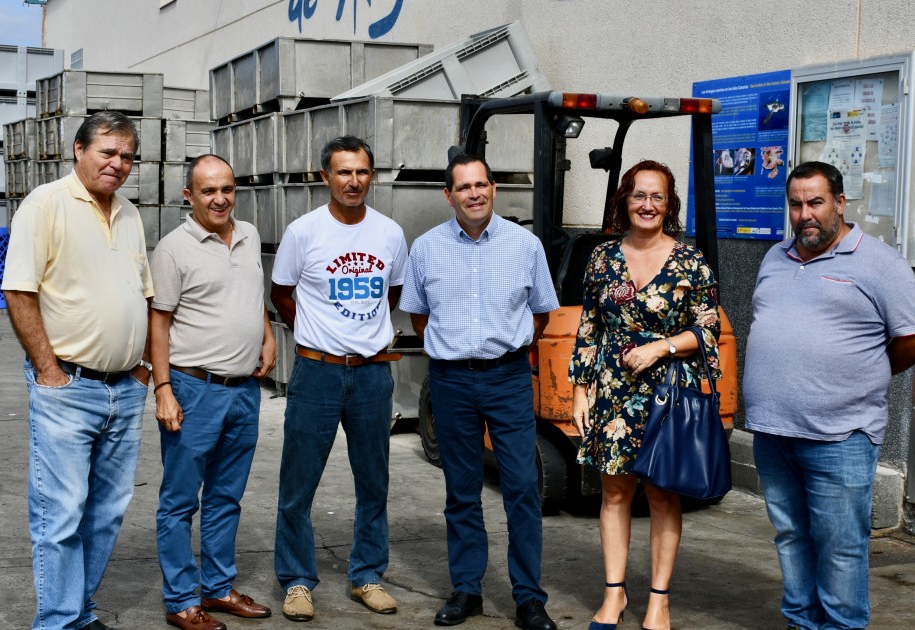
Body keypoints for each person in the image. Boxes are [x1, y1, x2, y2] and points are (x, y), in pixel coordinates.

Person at [744, 161, 915, 630]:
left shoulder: (880, 264)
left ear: (840, 203)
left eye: (815, 202)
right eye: (795, 203)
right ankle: (801, 622)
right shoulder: (775, 258)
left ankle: (842, 625)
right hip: (773, 429)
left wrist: (866, 375)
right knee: (791, 535)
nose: (805, 214)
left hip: (841, 434)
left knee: (840, 543)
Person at [1, 111, 152, 630]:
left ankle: (79, 613)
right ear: (78, 150)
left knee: (106, 514)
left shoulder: (130, 213)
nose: (117, 163)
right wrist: (48, 370)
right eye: (107, 152)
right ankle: (59, 622)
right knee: (60, 516)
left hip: (125, 391)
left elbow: (144, 294)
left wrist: (144, 368)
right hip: (68, 387)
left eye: (127, 155)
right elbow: (19, 290)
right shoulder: (45, 204)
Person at [400, 153, 560, 630]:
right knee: (461, 491)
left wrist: (502, 349)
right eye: (464, 186)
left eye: (482, 184)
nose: (474, 193)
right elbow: (418, 315)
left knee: (522, 489)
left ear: (494, 190)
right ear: (448, 195)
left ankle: (529, 598)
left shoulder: (525, 245)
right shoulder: (426, 248)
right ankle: (467, 590)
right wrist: (456, 349)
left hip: (508, 378)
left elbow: (541, 312)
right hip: (451, 381)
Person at [569, 160, 722, 630]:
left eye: (657, 197)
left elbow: (709, 330)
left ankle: (659, 601)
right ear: (625, 200)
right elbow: (590, 326)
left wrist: (661, 347)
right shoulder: (603, 258)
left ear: (669, 204)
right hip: (614, 392)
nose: (647, 205)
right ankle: (614, 595)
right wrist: (580, 389)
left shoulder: (690, 262)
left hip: (667, 395)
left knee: (661, 495)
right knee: (614, 493)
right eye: (639, 195)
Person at [269, 135, 407, 623]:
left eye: (362, 172)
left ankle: (367, 574)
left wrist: (361, 335)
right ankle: (298, 581)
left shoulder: (390, 232)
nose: (354, 181)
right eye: (343, 172)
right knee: (298, 484)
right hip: (318, 373)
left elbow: (390, 294)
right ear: (324, 176)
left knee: (374, 482)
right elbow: (281, 293)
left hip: (371, 376)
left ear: (372, 176)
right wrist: (320, 335)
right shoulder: (304, 231)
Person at [149, 155, 276, 630]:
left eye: (227, 188)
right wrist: (163, 388)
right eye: (208, 191)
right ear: (189, 196)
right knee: (180, 500)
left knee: (226, 496)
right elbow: (157, 323)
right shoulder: (173, 249)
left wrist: (265, 335)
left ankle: (218, 588)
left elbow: (252, 293)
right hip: (193, 388)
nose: (220, 198)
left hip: (243, 391)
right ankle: (182, 599)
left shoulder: (246, 236)